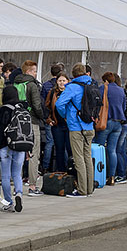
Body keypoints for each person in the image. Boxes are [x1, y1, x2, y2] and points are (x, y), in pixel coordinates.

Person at [54, 63, 95, 197]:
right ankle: (89, 188)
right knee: (88, 157)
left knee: (79, 159)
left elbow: (59, 103)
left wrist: (65, 115)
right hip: (89, 126)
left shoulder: (72, 87)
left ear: (73, 74)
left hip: (76, 126)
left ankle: (82, 190)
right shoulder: (92, 85)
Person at [0, 86, 26, 213]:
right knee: (17, 174)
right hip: (20, 146)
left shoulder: (3, 110)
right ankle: (19, 194)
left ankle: (9, 202)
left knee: (5, 176)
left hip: (5, 147)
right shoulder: (22, 108)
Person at [12, 60, 44, 195]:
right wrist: (42, 116)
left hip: (17, 122)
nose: (36, 73)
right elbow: (37, 105)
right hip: (32, 121)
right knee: (33, 154)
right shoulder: (32, 85)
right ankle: (32, 186)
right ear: (29, 71)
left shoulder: (14, 84)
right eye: (35, 71)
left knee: (19, 153)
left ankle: (17, 187)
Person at [97, 72, 127, 185]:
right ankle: (112, 176)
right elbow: (124, 106)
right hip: (118, 123)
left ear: (105, 81)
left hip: (106, 122)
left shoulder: (103, 89)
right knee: (112, 150)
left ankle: (100, 174)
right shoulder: (121, 90)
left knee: (100, 149)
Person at [45, 73, 70, 172]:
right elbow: (47, 107)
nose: (61, 83)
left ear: (68, 81)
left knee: (69, 149)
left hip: (69, 125)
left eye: (64, 80)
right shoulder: (52, 93)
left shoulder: (70, 92)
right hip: (57, 124)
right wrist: (48, 119)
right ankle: (61, 171)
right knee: (59, 149)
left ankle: (70, 171)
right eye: (60, 81)